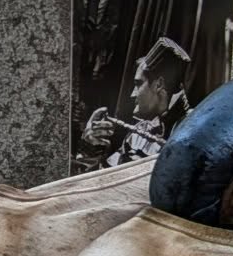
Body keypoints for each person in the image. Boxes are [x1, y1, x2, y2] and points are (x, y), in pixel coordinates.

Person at [78, 38, 193, 168]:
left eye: (138, 84)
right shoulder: (141, 129)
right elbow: (105, 177)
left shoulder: (191, 132)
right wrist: (90, 149)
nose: (133, 94)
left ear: (158, 84)